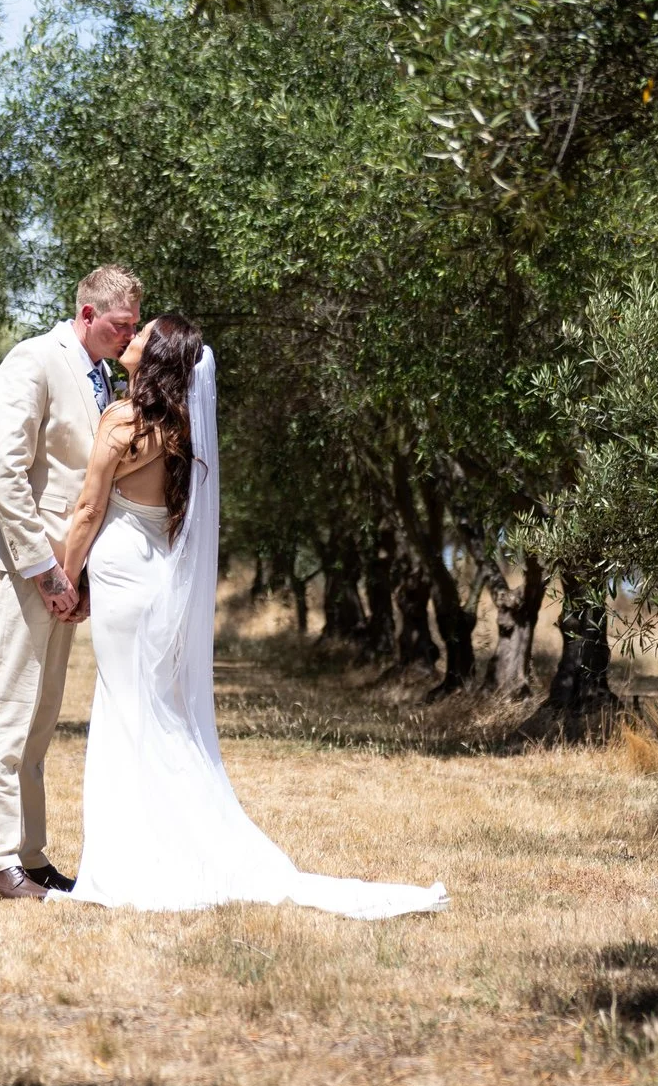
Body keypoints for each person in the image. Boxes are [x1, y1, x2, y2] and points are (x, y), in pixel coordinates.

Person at [53, 314, 448, 918]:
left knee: (127, 711)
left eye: (140, 335)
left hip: (122, 577)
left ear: (153, 356)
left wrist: (63, 578)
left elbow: (86, 510)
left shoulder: (123, 422)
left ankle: (132, 864)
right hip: (155, 577)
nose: (128, 340)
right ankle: (158, 849)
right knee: (152, 711)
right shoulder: (182, 430)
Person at [0, 264, 142, 899]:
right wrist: (43, 568)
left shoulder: (105, 380)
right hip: (22, 568)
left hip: (68, 572)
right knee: (10, 712)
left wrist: (82, 572)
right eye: (121, 325)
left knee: (41, 720)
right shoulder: (31, 360)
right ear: (88, 315)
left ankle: (31, 857)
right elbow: (3, 470)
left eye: (134, 325)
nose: (130, 336)